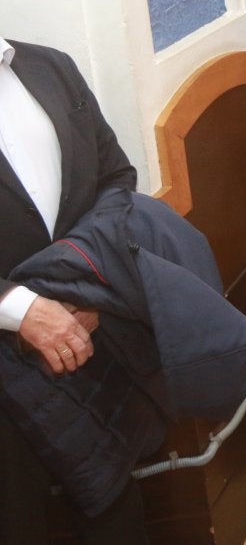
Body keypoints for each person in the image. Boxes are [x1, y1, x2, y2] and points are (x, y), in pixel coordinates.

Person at [0, 38, 147, 541]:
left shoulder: (51, 67)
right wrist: (20, 310)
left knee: (113, 515)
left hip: (90, 351)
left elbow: (116, 178)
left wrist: (87, 284)